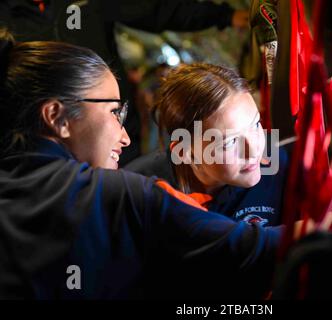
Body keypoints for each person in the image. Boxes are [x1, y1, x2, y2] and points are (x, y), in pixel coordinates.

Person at [0, 30, 280, 299]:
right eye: (113, 112)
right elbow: (247, 249)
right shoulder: (116, 194)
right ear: (56, 117)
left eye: (256, 125)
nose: (124, 136)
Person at [0, 0, 249, 165]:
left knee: (122, 204)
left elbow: (153, 8)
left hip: (110, 129)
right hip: (41, 145)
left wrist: (228, 16)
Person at [126, 63, 289, 227]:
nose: (253, 150)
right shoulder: (143, 191)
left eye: (255, 125)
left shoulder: (281, 164)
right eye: (230, 142)